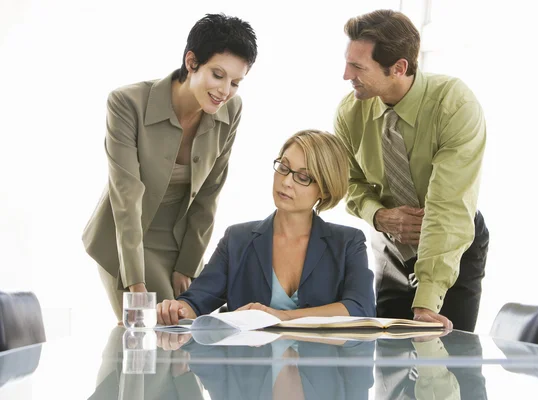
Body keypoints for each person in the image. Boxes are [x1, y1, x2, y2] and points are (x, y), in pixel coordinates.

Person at [82, 13, 258, 322]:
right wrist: (135, 284)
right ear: (191, 62)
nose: (225, 91)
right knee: (150, 334)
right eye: (217, 75)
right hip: (129, 238)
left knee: (190, 335)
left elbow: (209, 194)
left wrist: (187, 265)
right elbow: (126, 197)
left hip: (179, 240)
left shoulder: (231, 109)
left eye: (235, 82)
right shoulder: (127, 103)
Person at [334, 9, 489, 331]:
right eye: (348, 62)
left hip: (453, 239)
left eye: (358, 67)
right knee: (391, 359)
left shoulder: (454, 104)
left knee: (443, 354)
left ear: (399, 67)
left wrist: (427, 300)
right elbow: (349, 181)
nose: (346, 75)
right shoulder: (350, 112)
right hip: (392, 242)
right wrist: (378, 215)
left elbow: (447, 206)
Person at [157, 130, 376, 325]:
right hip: (253, 366)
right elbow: (196, 300)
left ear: (325, 190)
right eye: (283, 167)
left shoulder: (348, 241)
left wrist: (282, 317)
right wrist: (177, 310)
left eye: (303, 177)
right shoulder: (237, 239)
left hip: (321, 366)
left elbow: (360, 308)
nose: (286, 181)